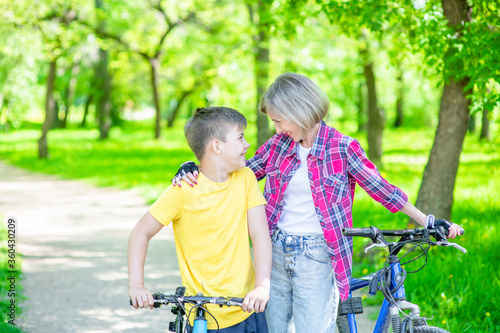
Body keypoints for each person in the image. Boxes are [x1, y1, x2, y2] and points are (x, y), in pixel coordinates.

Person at [172, 73, 463, 333]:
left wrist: (427, 220)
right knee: (270, 327)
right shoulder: (277, 147)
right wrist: (193, 167)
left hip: (318, 256)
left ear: (297, 111)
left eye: (278, 120)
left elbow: (383, 190)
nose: (276, 129)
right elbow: (234, 167)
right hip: (274, 251)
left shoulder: (342, 148)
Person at [129, 107, 272, 333]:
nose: (247, 145)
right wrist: (137, 286)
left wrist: (262, 286)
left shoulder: (245, 179)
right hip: (204, 316)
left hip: (248, 308)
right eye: (240, 137)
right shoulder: (182, 190)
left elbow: (260, 234)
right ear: (217, 146)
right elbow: (140, 233)